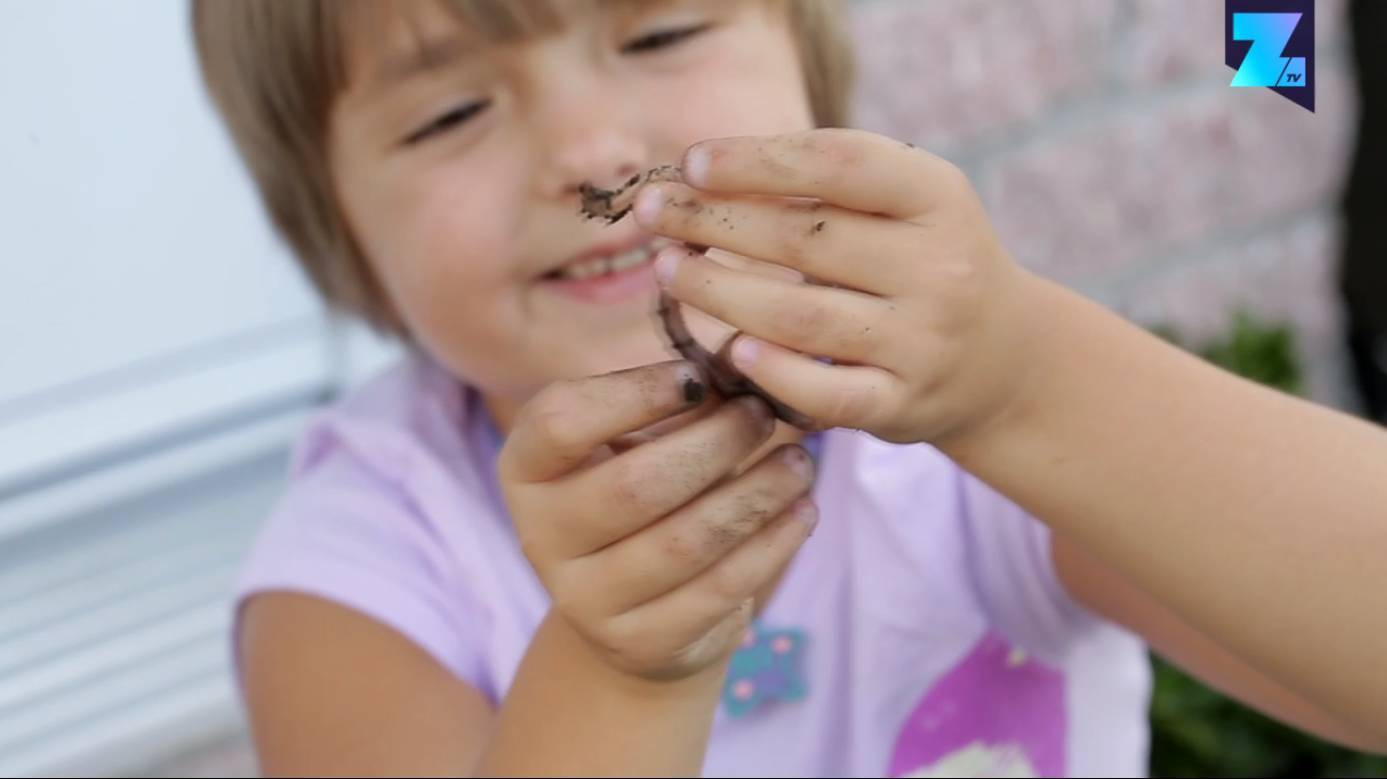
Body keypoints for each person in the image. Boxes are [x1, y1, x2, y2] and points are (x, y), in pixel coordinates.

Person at [192, 1, 1387, 775]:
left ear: (813, 76)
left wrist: (1021, 381)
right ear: (335, 234)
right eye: (452, 110)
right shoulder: (358, 571)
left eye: (658, 36)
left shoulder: (960, 437)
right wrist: (619, 664)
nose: (593, 151)